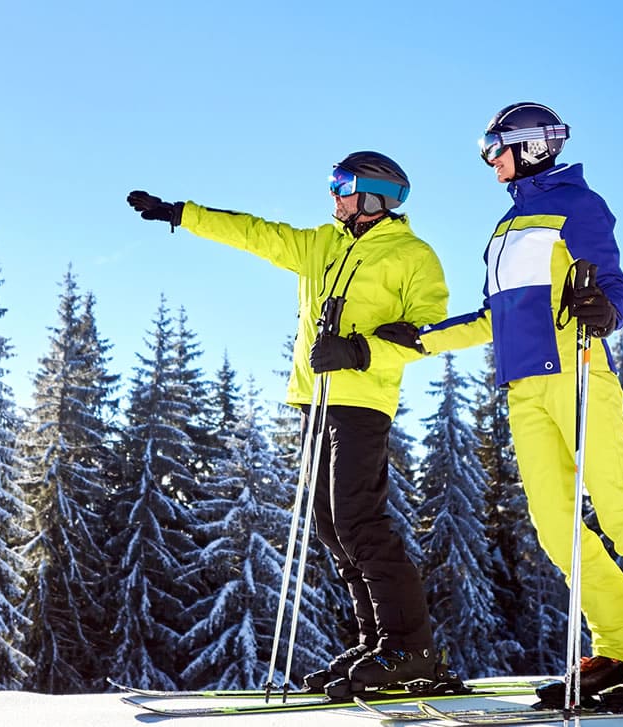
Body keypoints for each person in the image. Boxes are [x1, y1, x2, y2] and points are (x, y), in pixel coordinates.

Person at [377, 102, 623, 702]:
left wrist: (609, 311)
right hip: (523, 387)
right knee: (555, 528)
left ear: (531, 144)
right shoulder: (505, 228)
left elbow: (612, 281)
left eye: (495, 147)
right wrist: (423, 339)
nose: (489, 160)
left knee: (619, 511)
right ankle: (621, 646)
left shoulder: (579, 204)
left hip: (577, 370)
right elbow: (495, 316)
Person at [126, 151, 451, 697]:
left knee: (358, 520)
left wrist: (357, 350)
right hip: (315, 402)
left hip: (362, 401)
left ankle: (411, 648)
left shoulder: (412, 255)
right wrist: (182, 214)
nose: (334, 195)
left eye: (343, 185)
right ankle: (379, 644)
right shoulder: (321, 245)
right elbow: (256, 234)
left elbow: (429, 329)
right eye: (333, 184)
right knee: (330, 524)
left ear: (377, 194)